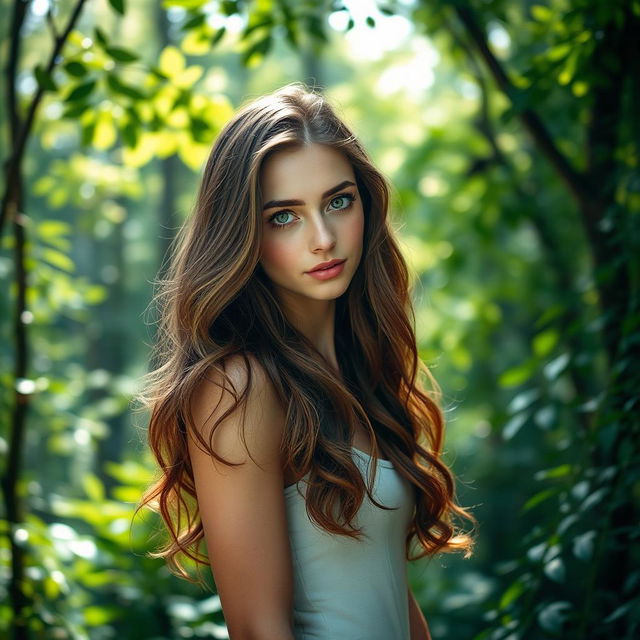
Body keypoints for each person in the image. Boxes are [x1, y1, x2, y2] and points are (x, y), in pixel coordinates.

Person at [136, 83, 475, 640]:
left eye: (338, 201)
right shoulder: (239, 387)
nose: (323, 238)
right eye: (284, 217)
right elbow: (258, 629)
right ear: (241, 232)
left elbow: (383, 591)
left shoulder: (358, 376)